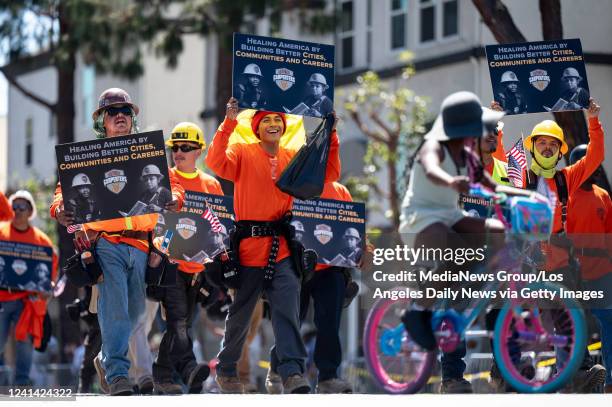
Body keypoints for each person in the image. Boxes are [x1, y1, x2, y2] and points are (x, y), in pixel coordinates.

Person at [51, 88, 185, 396]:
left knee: (136, 311)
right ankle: (118, 374)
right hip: (106, 242)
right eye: (113, 112)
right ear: (102, 121)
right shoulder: (87, 157)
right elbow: (63, 191)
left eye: (125, 110)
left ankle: (105, 357)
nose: (120, 115)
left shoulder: (145, 151)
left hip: (141, 245)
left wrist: (175, 197)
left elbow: (172, 182)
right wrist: (59, 209)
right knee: (115, 309)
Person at [206, 97, 340, 394]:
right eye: (265, 120)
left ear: (284, 126)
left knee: (287, 310)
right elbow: (215, 162)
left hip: (282, 249)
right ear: (255, 128)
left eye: (277, 120)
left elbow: (327, 175)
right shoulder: (241, 152)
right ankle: (227, 368)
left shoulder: (294, 155)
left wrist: (331, 134)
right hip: (248, 249)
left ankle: (292, 372)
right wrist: (229, 121)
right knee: (241, 315)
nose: (272, 124)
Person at [399, 91, 506, 393]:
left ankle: (481, 284)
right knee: (443, 241)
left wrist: (521, 197)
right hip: (420, 221)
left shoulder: (468, 156)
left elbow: (490, 184)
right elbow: (431, 168)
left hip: (449, 216)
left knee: (497, 230)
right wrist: (449, 182)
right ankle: (417, 309)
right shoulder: (434, 147)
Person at [519, 98, 606, 392]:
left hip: (560, 263)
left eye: (553, 145)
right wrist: (494, 124)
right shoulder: (523, 179)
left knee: (569, 318)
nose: (547, 148)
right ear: (533, 147)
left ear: (558, 152)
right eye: (542, 143)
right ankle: (511, 371)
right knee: (515, 319)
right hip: (528, 262)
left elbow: (595, 155)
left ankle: (575, 373)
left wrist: (592, 120)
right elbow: (492, 166)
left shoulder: (567, 179)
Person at [151, 121, 222, 394]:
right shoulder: (162, 179)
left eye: (185, 147)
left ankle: (163, 375)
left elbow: (219, 227)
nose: (178, 152)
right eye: (175, 147)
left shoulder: (211, 185)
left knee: (182, 323)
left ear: (199, 151)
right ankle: (190, 368)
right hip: (169, 265)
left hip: (198, 268)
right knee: (178, 320)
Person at [566, 144, 612, 393]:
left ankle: (610, 382)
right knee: (574, 324)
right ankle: (577, 378)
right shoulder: (567, 198)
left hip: (603, 273)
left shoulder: (604, 195)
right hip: (576, 274)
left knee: (610, 322)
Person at [0, 190, 58, 386]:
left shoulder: (42, 241)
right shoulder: (1, 232)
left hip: (27, 301)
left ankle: (22, 384)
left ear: (30, 210)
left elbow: (50, 272)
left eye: (22, 207)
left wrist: (48, 286)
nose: (17, 211)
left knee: (24, 342)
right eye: (14, 207)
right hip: (1, 298)